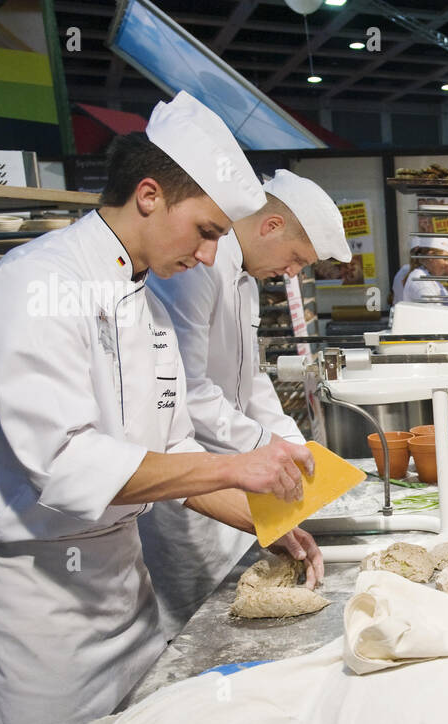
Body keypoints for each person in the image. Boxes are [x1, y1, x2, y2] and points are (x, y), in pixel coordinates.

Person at [0, 91, 324, 724]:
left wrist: (264, 524)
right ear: (149, 195)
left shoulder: (141, 300)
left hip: (124, 592)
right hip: (37, 612)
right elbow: (63, 464)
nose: (211, 254)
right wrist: (238, 471)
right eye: (206, 230)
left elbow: (174, 450)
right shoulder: (34, 287)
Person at [139, 171, 351, 637]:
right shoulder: (196, 271)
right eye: (296, 259)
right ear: (271, 226)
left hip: (235, 475)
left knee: (239, 603)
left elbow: (250, 379)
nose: (292, 274)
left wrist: (297, 449)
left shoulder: (246, 281)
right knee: (201, 628)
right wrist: (265, 446)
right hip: (190, 486)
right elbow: (188, 390)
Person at [401, 235, 448, 303]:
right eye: (444, 259)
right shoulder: (420, 281)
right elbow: (434, 311)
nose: (447, 263)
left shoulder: (431, 278)